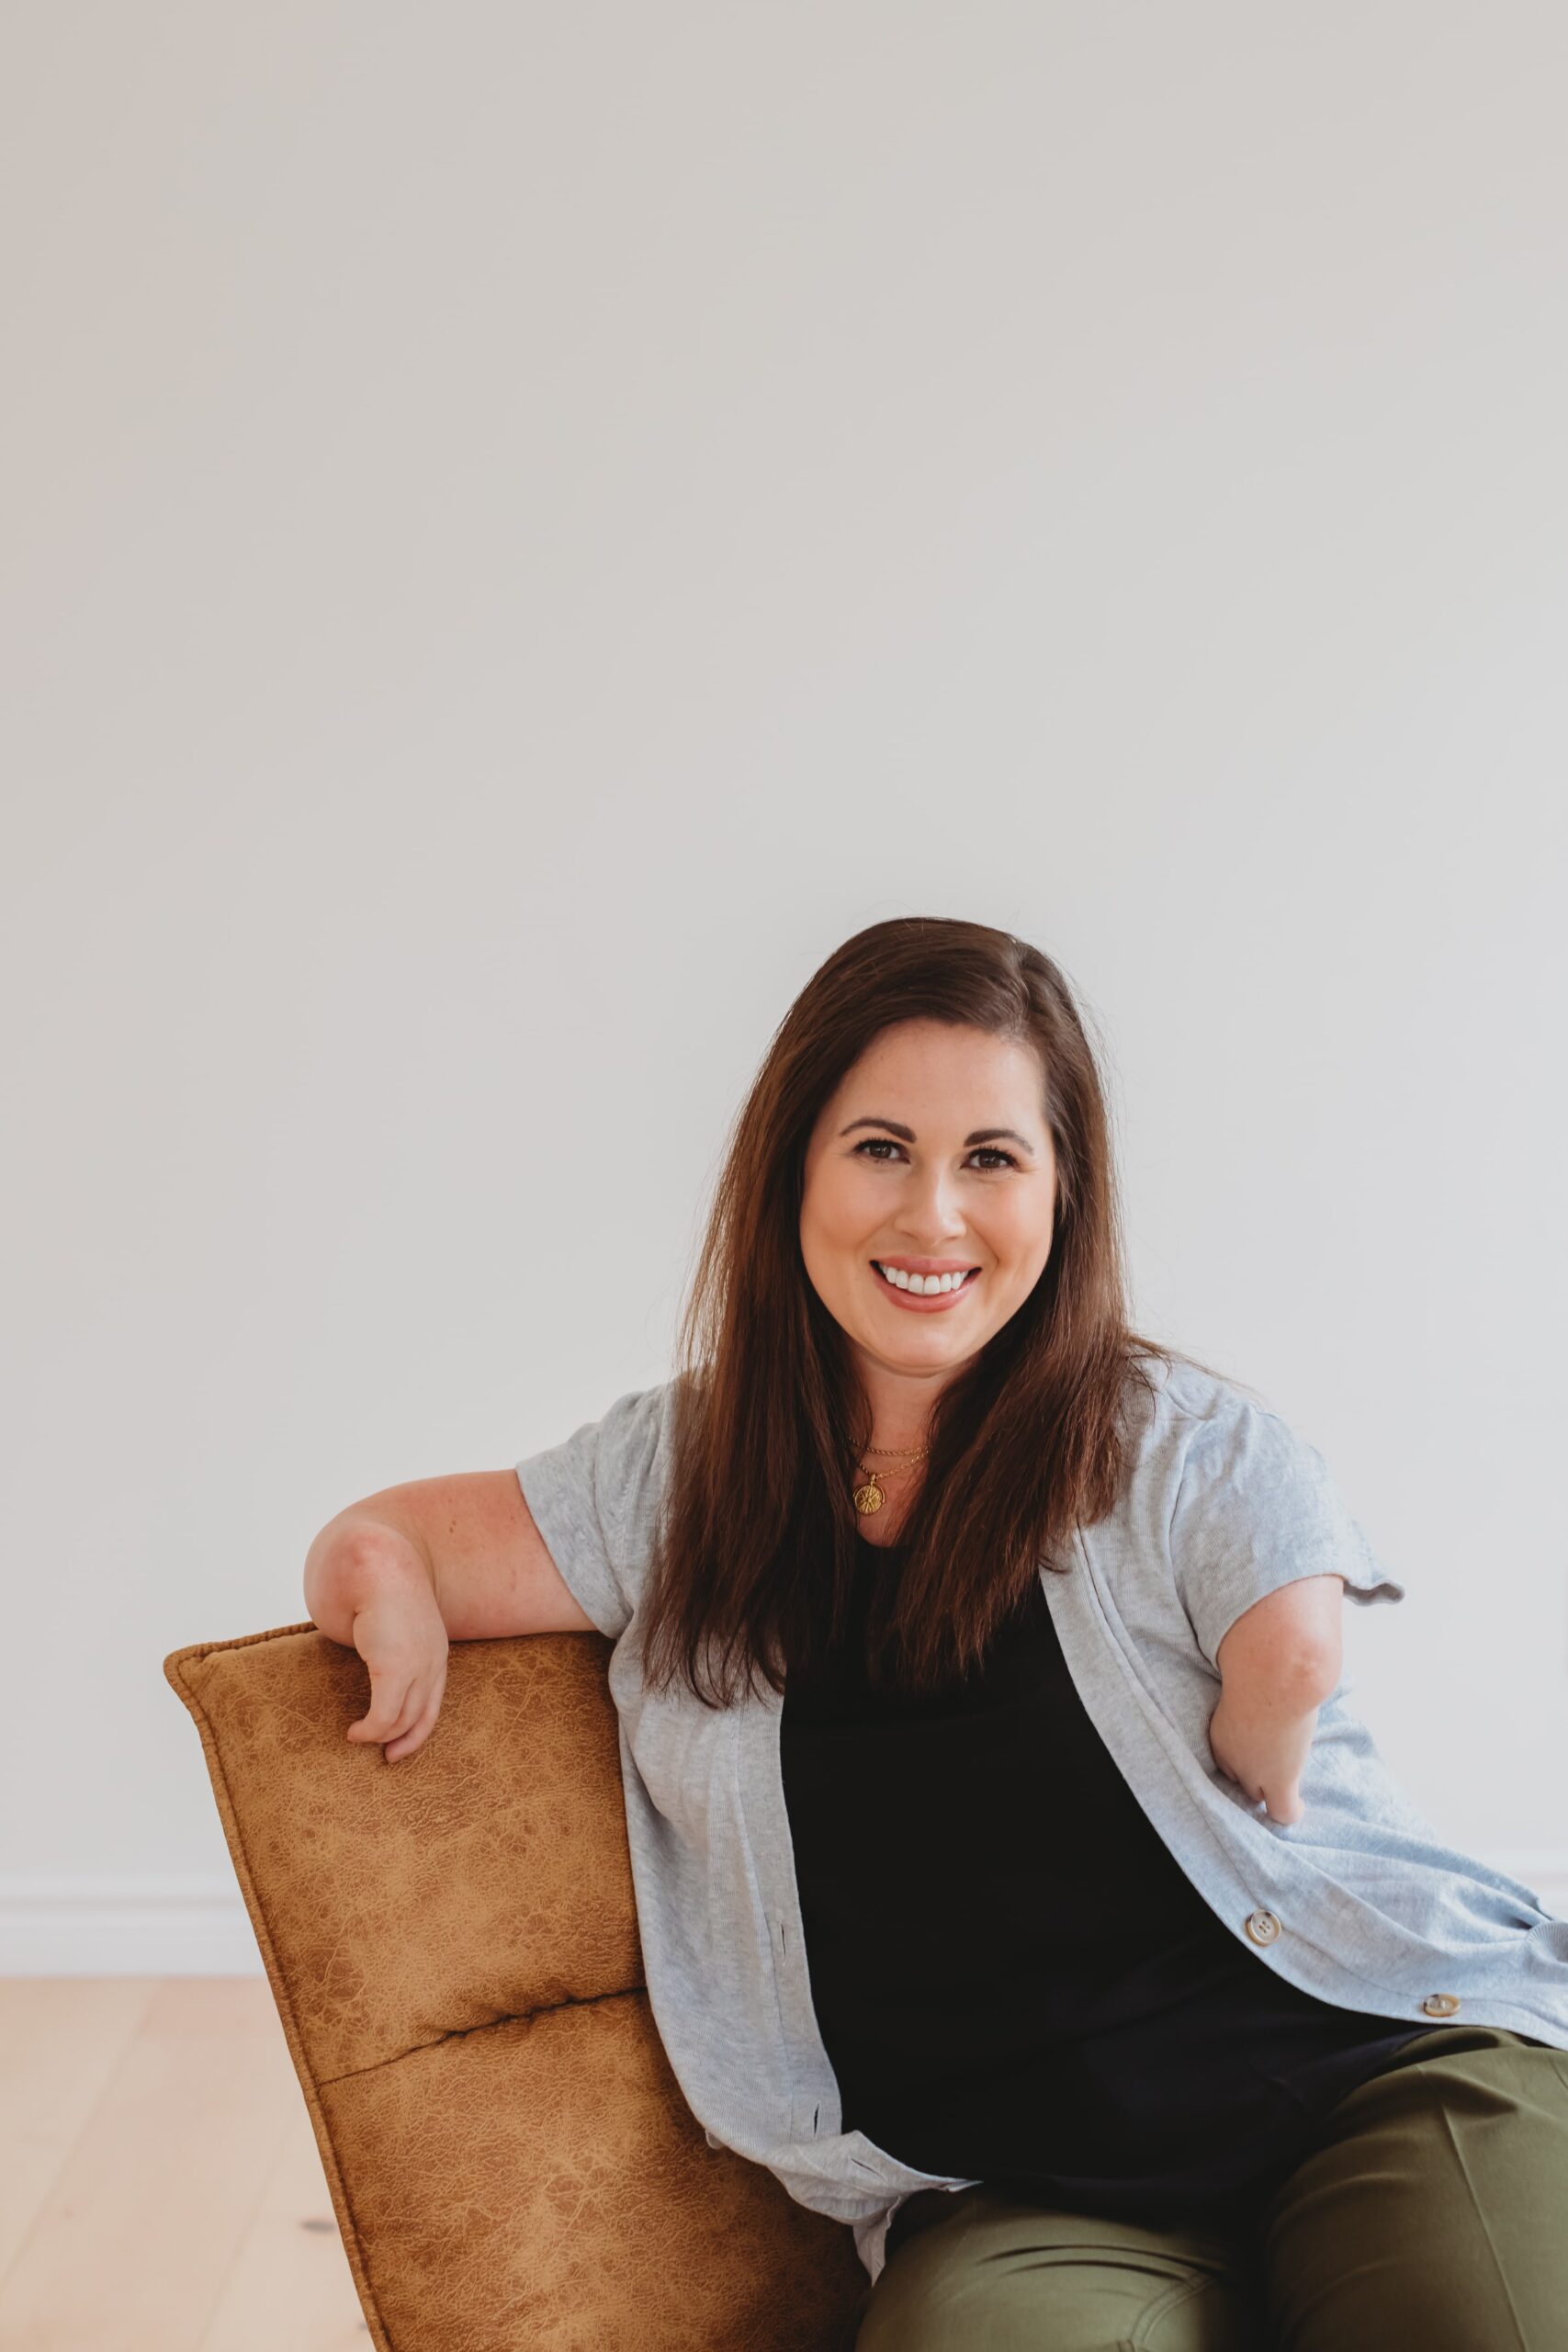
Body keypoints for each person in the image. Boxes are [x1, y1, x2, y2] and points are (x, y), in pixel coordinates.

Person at [303, 916, 1568, 2348]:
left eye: (992, 1159)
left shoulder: (1171, 1441)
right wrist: (380, 1579)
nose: (933, 1217)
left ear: (1063, 1193)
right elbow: (390, 1537)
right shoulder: (673, 1479)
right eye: (881, 1149)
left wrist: (1270, 1710)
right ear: (792, 1166)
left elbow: (1296, 1625)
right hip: (1025, 2192)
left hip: (1379, 2067)